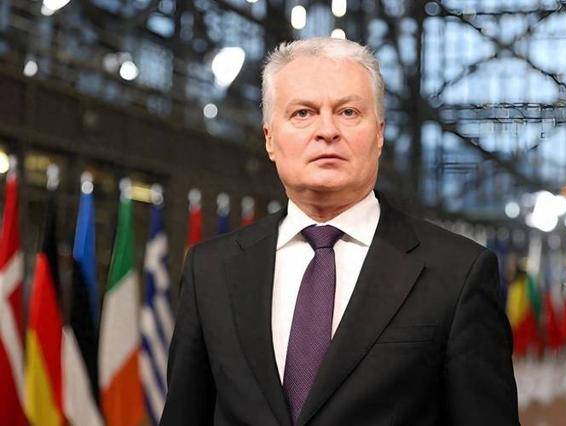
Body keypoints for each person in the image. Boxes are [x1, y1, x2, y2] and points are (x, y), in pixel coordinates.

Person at [161, 37, 519, 425]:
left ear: (379, 134)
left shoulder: (458, 273)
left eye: (348, 112)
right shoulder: (209, 270)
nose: (327, 131)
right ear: (270, 139)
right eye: (302, 113)